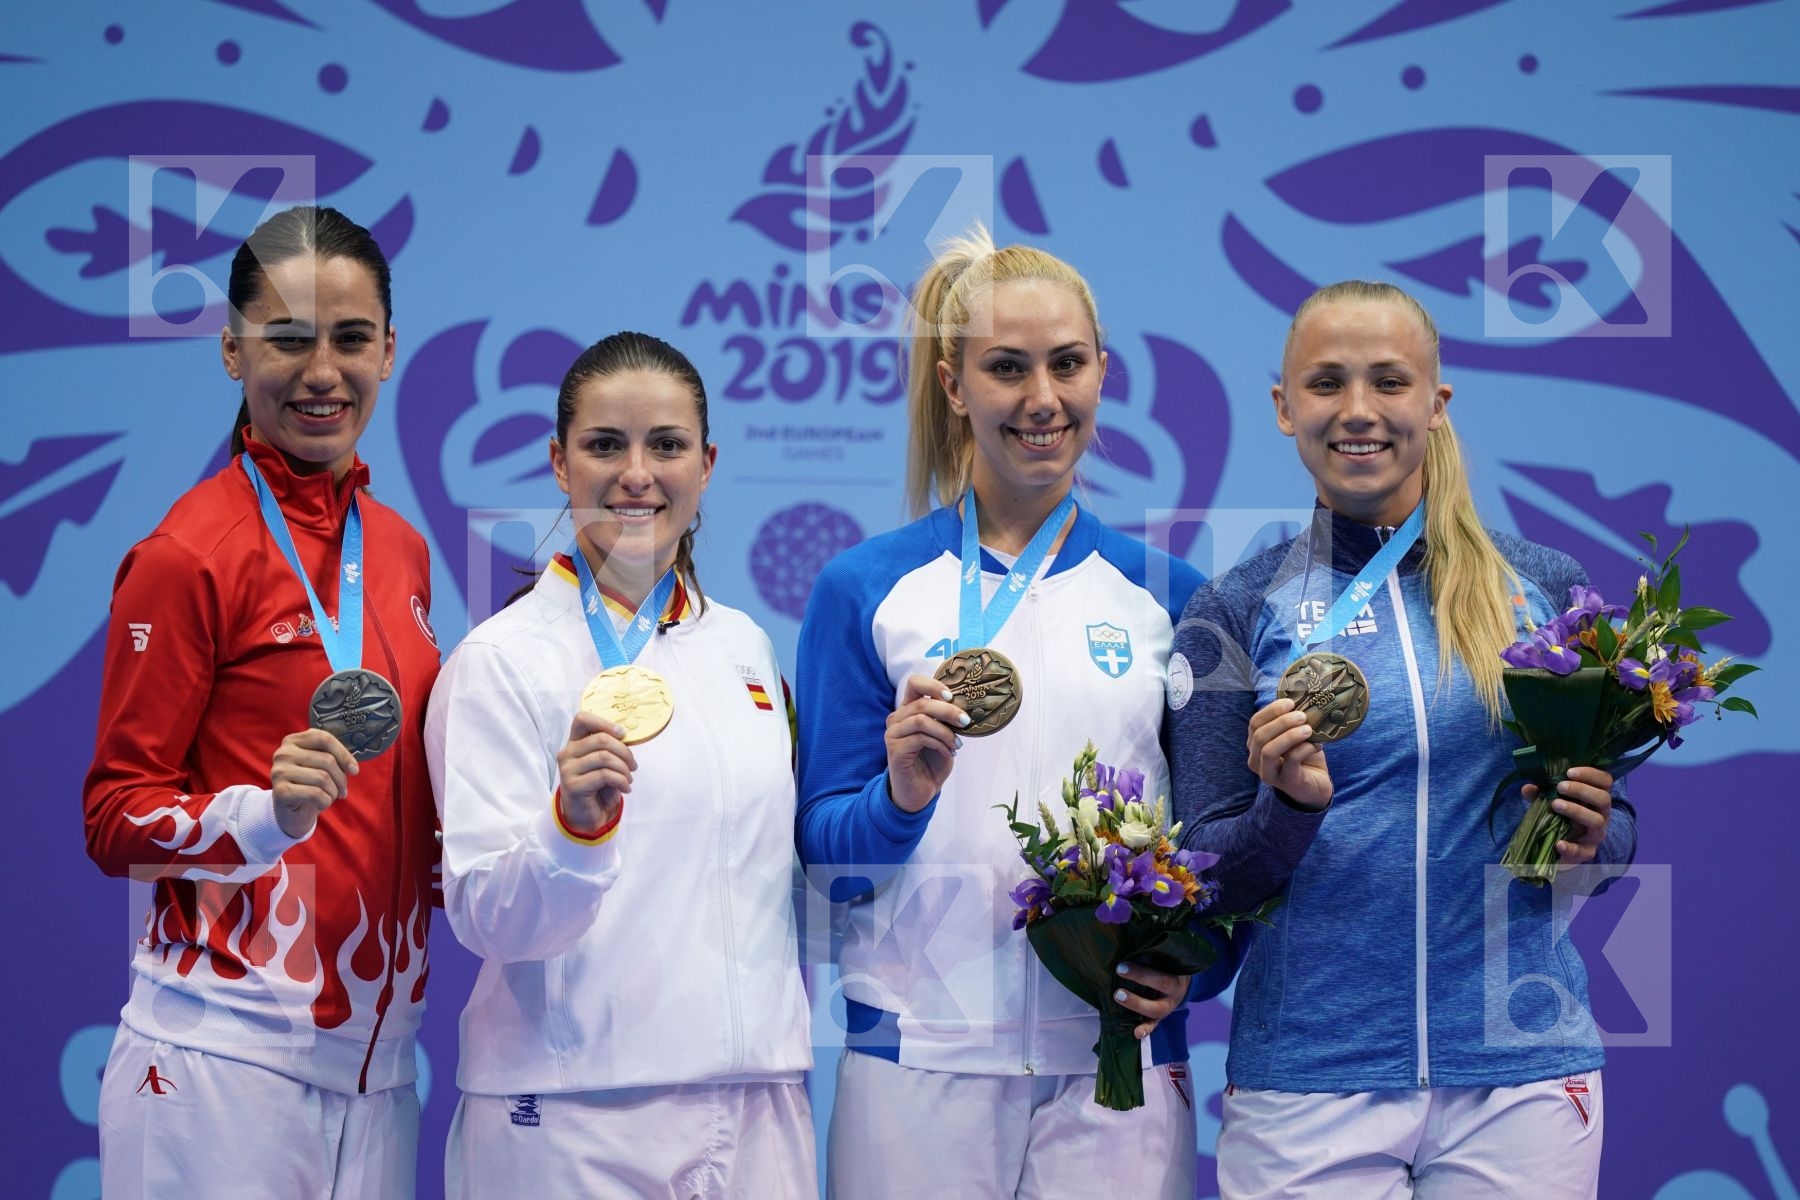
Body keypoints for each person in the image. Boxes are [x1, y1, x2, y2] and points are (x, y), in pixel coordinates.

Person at [1170, 279, 1634, 1199]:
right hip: (1313, 1076)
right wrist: (1289, 810)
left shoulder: (1544, 586)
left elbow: (1612, 828)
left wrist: (1593, 835)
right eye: (1327, 383)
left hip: (1520, 1068)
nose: (1358, 412)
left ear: (1436, 401)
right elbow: (1202, 872)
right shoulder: (1230, 610)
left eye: (1389, 382)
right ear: (1283, 407)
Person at [795, 226, 1231, 1200]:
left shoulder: (1175, 596)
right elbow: (827, 869)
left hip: (1115, 1062)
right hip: (916, 1060)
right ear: (954, 386)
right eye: (1007, 368)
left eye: (1067, 364)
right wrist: (899, 795)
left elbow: (1219, 842)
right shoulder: (864, 589)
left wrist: (1200, 968)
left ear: (1103, 373)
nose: (1043, 398)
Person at [84, 205, 439, 1198]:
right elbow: (114, 818)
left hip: (378, 1070)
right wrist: (265, 815)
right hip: (218, 1066)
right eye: (286, 339)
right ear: (233, 351)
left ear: (390, 351)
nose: (323, 371)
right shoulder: (188, 553)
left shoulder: (402, 552)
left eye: (351, 338)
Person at [425, 332, 815, 1199]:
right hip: (573, 1115)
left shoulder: (744, 647)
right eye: (606, 445)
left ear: (706, 464)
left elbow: (764, 879)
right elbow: (484, 915)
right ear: (559, 463)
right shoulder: (500, 662)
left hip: (757, 1106)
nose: (637, 473)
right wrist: (573, 829)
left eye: (666, 445)